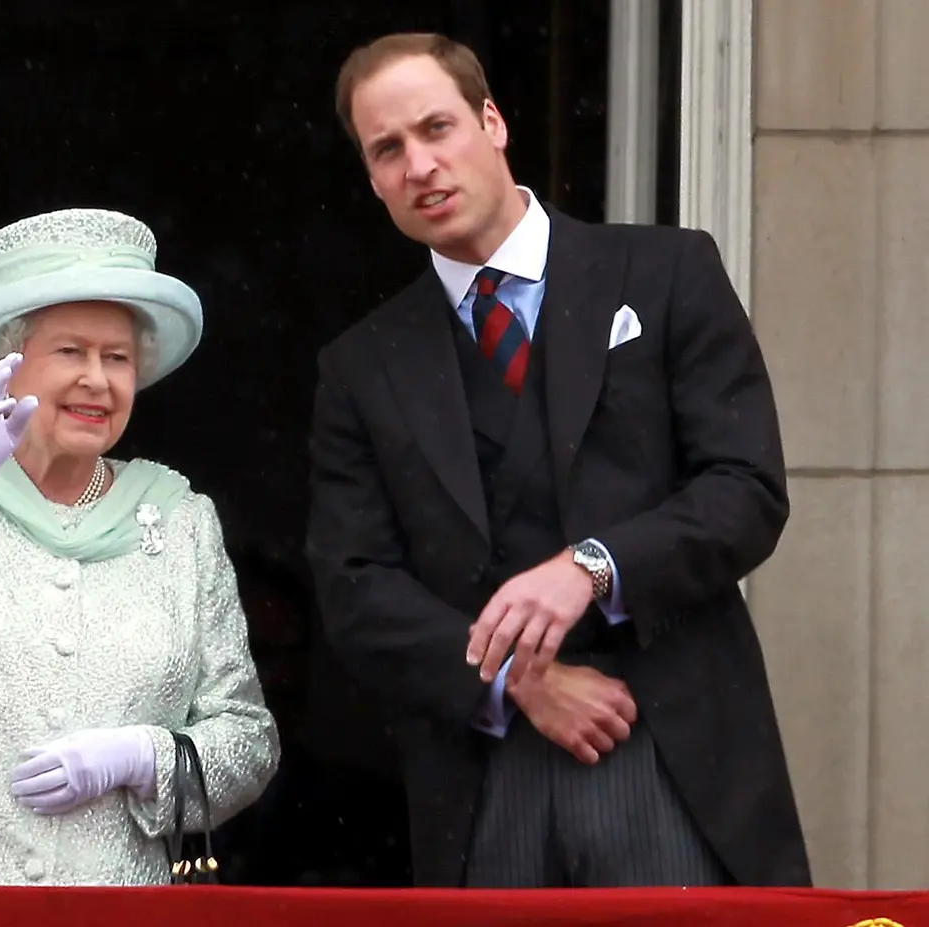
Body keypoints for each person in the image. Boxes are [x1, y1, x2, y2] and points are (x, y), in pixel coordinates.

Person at [304, 33, 810, 890]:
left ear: (492, 121)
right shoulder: (361, 364)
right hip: (484, 772)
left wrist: (595, 567)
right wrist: (513, 682)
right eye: (387, 149)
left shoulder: (665, 271)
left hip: (670, 743)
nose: (420, 164)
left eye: (438, 128)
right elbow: (355, 585)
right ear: (371, 176)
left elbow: (746, 488)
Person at [0, 208, 279, 886]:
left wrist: (141, 756)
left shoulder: (180, 521)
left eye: (116, 358)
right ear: (5, 364)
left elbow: (248, 739)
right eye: (71, 351)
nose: (98, 379)